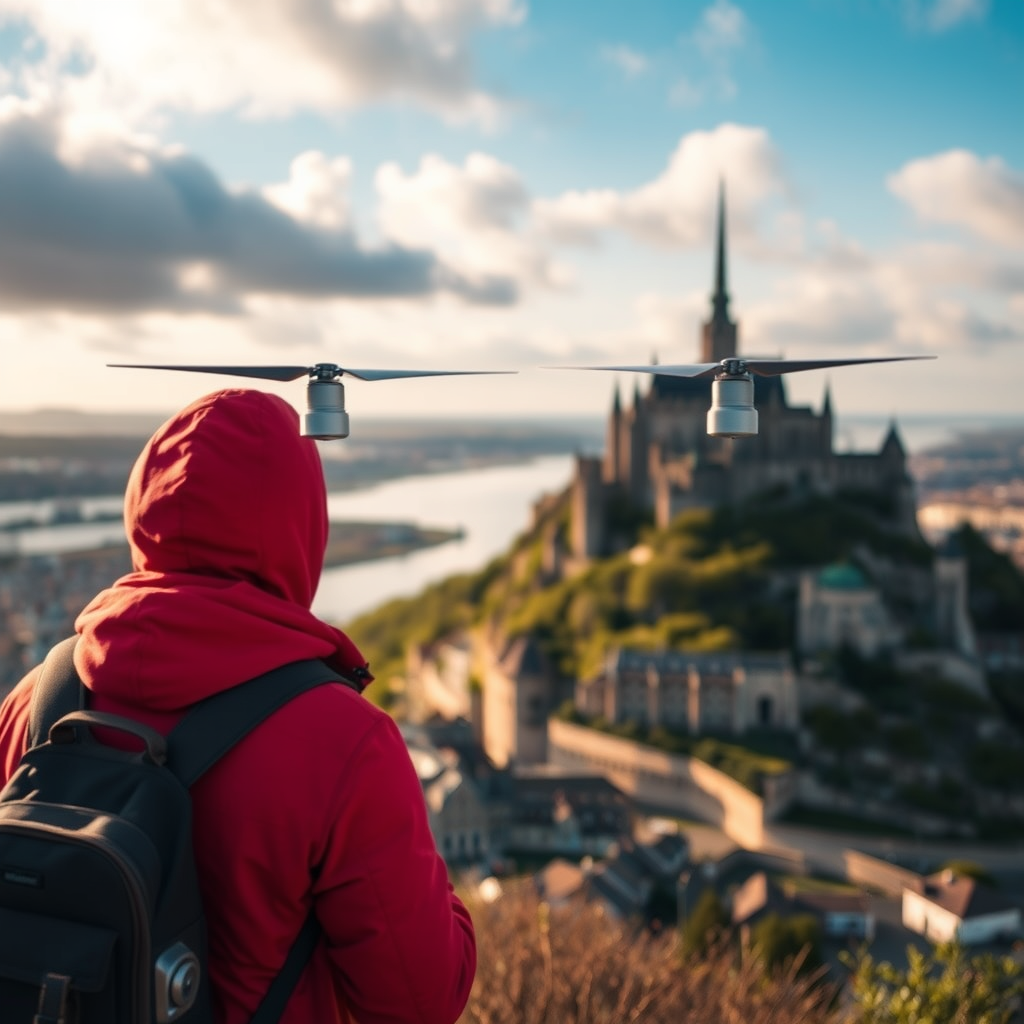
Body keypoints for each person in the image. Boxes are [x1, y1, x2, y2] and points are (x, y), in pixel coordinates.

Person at [0, 388, 477, 1024]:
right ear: (303, 526)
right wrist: (442, 893)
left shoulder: (36, 699)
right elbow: (420, 1002)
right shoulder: (343, 742)